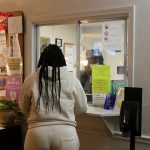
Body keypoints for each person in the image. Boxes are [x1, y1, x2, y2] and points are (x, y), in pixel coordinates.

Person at [19, 44, 88, 150]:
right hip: (66, 134)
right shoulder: (72, 79)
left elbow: (23, 107)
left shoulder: (32, 79)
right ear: (62, 60)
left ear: (41, 60)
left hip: (37, 134)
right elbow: (82, 108)